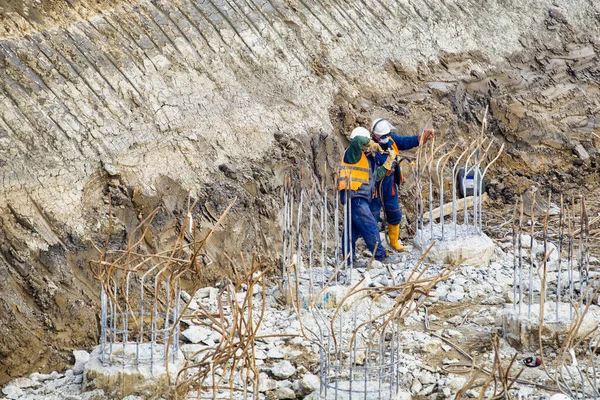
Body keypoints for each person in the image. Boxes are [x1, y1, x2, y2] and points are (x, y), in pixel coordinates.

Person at [369, 118, 434, 252]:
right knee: (373, 217)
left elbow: (405, 141)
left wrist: (421, 138)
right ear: (375, 136)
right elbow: (373, 174)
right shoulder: (370, 149)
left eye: (388, 135)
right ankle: (374, 246)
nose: (387, 138)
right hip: (375, 189)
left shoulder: (391, 140)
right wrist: (386, 162)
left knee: (394, 213)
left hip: (390, 186)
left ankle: (394, 242)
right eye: (384, 136)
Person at [339, 127, 399, 265]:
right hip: (355, 195)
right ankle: (380, 255)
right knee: (370, 224)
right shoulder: (352, 153)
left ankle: (349, 260)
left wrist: (388, 163)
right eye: (367, 143)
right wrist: (371, 143)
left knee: (352, 231)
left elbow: (375, 177)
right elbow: (358, 141)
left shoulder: (367, 159)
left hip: (360, 197)